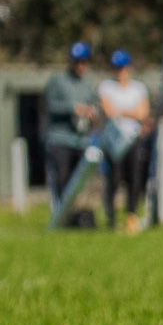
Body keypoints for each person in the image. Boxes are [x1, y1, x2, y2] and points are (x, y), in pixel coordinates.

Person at [98, 50, 152, 234]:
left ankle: (131, 215)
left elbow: (143, 113)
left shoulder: (139, 88)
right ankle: (111, 219)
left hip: (133, 140)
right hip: (114, 142)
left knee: (134, 179)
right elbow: (108, 111)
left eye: (122, 67)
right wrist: (131, 111)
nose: (119, 71)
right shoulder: (106, 86)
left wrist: (120, 111)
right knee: (112, 179)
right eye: (116, 67)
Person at [43, 41, 99, 211]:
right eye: (77, 61)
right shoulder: (57, 81)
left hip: (80, 141)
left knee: (79, 184)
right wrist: (73, 109)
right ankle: (61, 217)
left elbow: (94, 106)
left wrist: (91, 112)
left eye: (84, 62)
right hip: (60, 140)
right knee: (62, 181)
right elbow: (50, 106)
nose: (81, 65)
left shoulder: (88, 84)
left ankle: (77, 217)